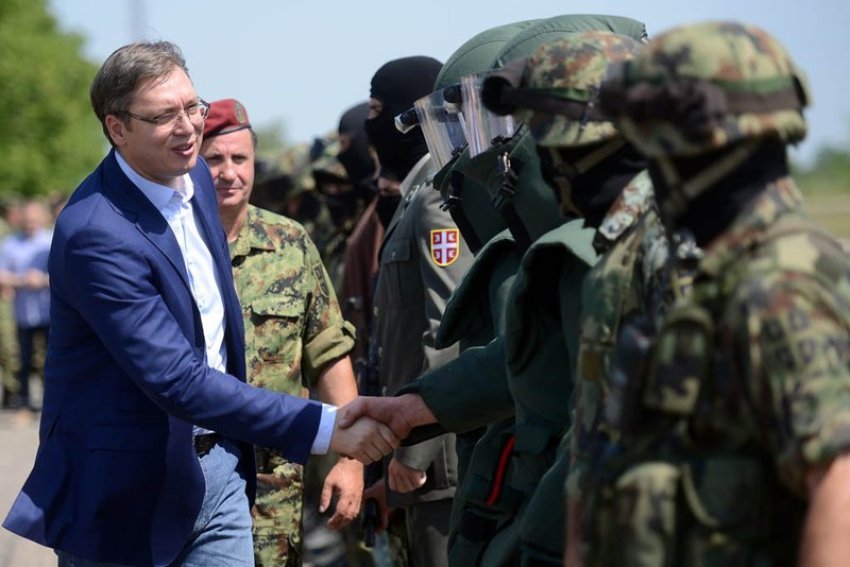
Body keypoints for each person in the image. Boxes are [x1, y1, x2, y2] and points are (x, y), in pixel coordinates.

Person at [1, 40, 397, 567]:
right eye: (164, 115)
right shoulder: (96, 232)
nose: (188, 127)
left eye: (193, 106)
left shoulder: (195, 181)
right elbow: (176, 378)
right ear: (117, 128)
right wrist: (326, 426)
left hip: (221, 474)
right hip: (125, 497)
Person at [587, 20, 850, 565]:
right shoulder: (734, 273)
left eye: (650, 141)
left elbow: (840, 486)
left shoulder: (780, 285)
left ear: (695, 147)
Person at [200, 98, 364, 567]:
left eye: (240, 158)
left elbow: (328, 352)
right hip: (191, 482)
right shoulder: (171, 244)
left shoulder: (290, 244)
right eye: (214, 159)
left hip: (272, 490)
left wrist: (350, 460)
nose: (229, 172)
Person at [364, 54, 473, 567]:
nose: (370, 125)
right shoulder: (414, 197)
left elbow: (446, 326)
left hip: (437, 461)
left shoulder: (433, 199)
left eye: (377, 110)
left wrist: (415, 449)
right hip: (415, 450)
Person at [0, 199, 52, 412]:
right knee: (23, 358)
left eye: (34, 219)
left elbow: (66, 275)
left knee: (50, 358)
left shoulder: (51, 240)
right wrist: (23, 280)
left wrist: (42, 280)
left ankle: (51, 400)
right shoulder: (11, 243)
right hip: (23, 312)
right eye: (27, 220)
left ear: (42, 218)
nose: (30, 224)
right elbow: (2, 274)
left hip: (49, 311)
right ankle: (24, 401)